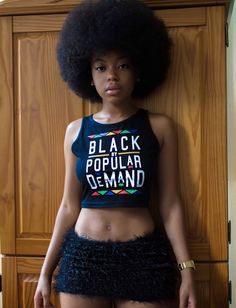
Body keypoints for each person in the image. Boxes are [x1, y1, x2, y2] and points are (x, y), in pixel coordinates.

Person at [34, 0, 197, 307]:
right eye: (100, 67)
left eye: (122, 65)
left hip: (142, 257)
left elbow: (170, 203)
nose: (111, 75)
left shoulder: (160, 127)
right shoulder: (75, 131)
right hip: (84, 258)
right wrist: (45, 272)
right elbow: (68, 205)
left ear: (138, 71)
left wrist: (186, 269)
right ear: (88, 75)